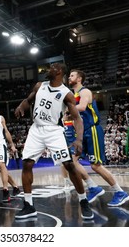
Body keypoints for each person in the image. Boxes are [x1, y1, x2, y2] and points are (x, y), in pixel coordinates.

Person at [14, 63, 93, 220]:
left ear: (59, 72)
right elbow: (28, 100)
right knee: (27, 164)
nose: (48, 70)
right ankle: (28, 205)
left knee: (69, 165)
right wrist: (21, 106)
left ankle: (83, 201)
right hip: (36, 129)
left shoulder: (66, 93)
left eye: (51, 68)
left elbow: (77, 118)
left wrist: (78, 139)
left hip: (54, 131)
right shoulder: (39, 85)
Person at [68, 69, 129, 206]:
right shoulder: (73, 95)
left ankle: (120, 192)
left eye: (72, 75)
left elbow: (83, 107)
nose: (69, 77)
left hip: (92, 130)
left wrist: (67, 109)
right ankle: (93, 187)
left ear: (79, 79)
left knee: (96, 165)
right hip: (82, 132)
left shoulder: (85, 92)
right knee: (72, 162)